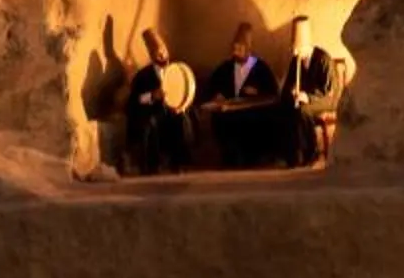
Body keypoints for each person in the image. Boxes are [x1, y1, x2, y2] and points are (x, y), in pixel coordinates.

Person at [199, 22, 283, 169]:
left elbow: (273, 93)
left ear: (249, 49)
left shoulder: (260, 67)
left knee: (255, 123)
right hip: (229, 114)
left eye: (240, 48)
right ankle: (231, 158)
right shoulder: (225, 68)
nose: (236, 52)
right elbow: (212, 88)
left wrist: (257, 93)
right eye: (235, 48)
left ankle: (252, 158)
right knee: (222, 121)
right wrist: (217, 95)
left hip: (253, 113)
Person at [121, 28, 195, 176]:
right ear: (151, 55)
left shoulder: (176, 70)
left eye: (164, 51)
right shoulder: (143, 76)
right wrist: (152, 96)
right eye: (158, 53)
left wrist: (181, 106)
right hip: (152, 113)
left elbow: (185, 92)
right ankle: (151, 166)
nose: (162, 55)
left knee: (182, 120)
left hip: (172, 112)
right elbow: (134, 101)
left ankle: (179, 164)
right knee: (149, 123)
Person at [283, 17, 347, 168]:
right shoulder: (296, 61)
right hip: (304, 100)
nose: (296, 52)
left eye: (298, 48)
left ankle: (311, 153)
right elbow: (288, 84)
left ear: (306, 46)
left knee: (303, 110)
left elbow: (329, 90)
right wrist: (292, 92)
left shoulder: (323, 58)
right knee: (287, 109)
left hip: (325, 100)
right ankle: (293, 155)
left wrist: (307, 97)